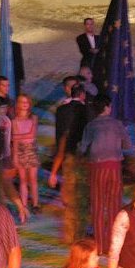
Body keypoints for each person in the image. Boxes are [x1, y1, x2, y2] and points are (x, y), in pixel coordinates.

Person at [79, 94, 131, 255]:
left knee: (98, 206)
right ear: (107, 107)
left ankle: (100, 246)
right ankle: (113, 245)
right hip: (114, 167)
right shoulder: (117, 124)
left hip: (97, 167)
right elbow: (127, 145)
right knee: (114, 205)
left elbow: (83, 148)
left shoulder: (91, 125)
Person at [49, 84, 88, 244]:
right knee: (82, 200)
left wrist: (53, 172)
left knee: (70, 200)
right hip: (83, 161)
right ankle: (80, 235)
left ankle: (70, 235)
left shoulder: (61, 110)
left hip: (69, 160)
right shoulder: (87, 111)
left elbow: (60, 143)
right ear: (83, 94)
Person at [12, 94, 40, 215]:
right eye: (22, 102)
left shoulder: (33, 118)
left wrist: (18, 136)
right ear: (18, 104)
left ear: (29, 104)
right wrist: (15, 156)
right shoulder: (14, 121)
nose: (24, 104)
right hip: (21, 150)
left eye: (26, 102)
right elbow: (15, 140)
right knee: (23, 179)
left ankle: (35, 204)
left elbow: (32, 135)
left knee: (33, 178)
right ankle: (23, 205)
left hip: (31, 149)